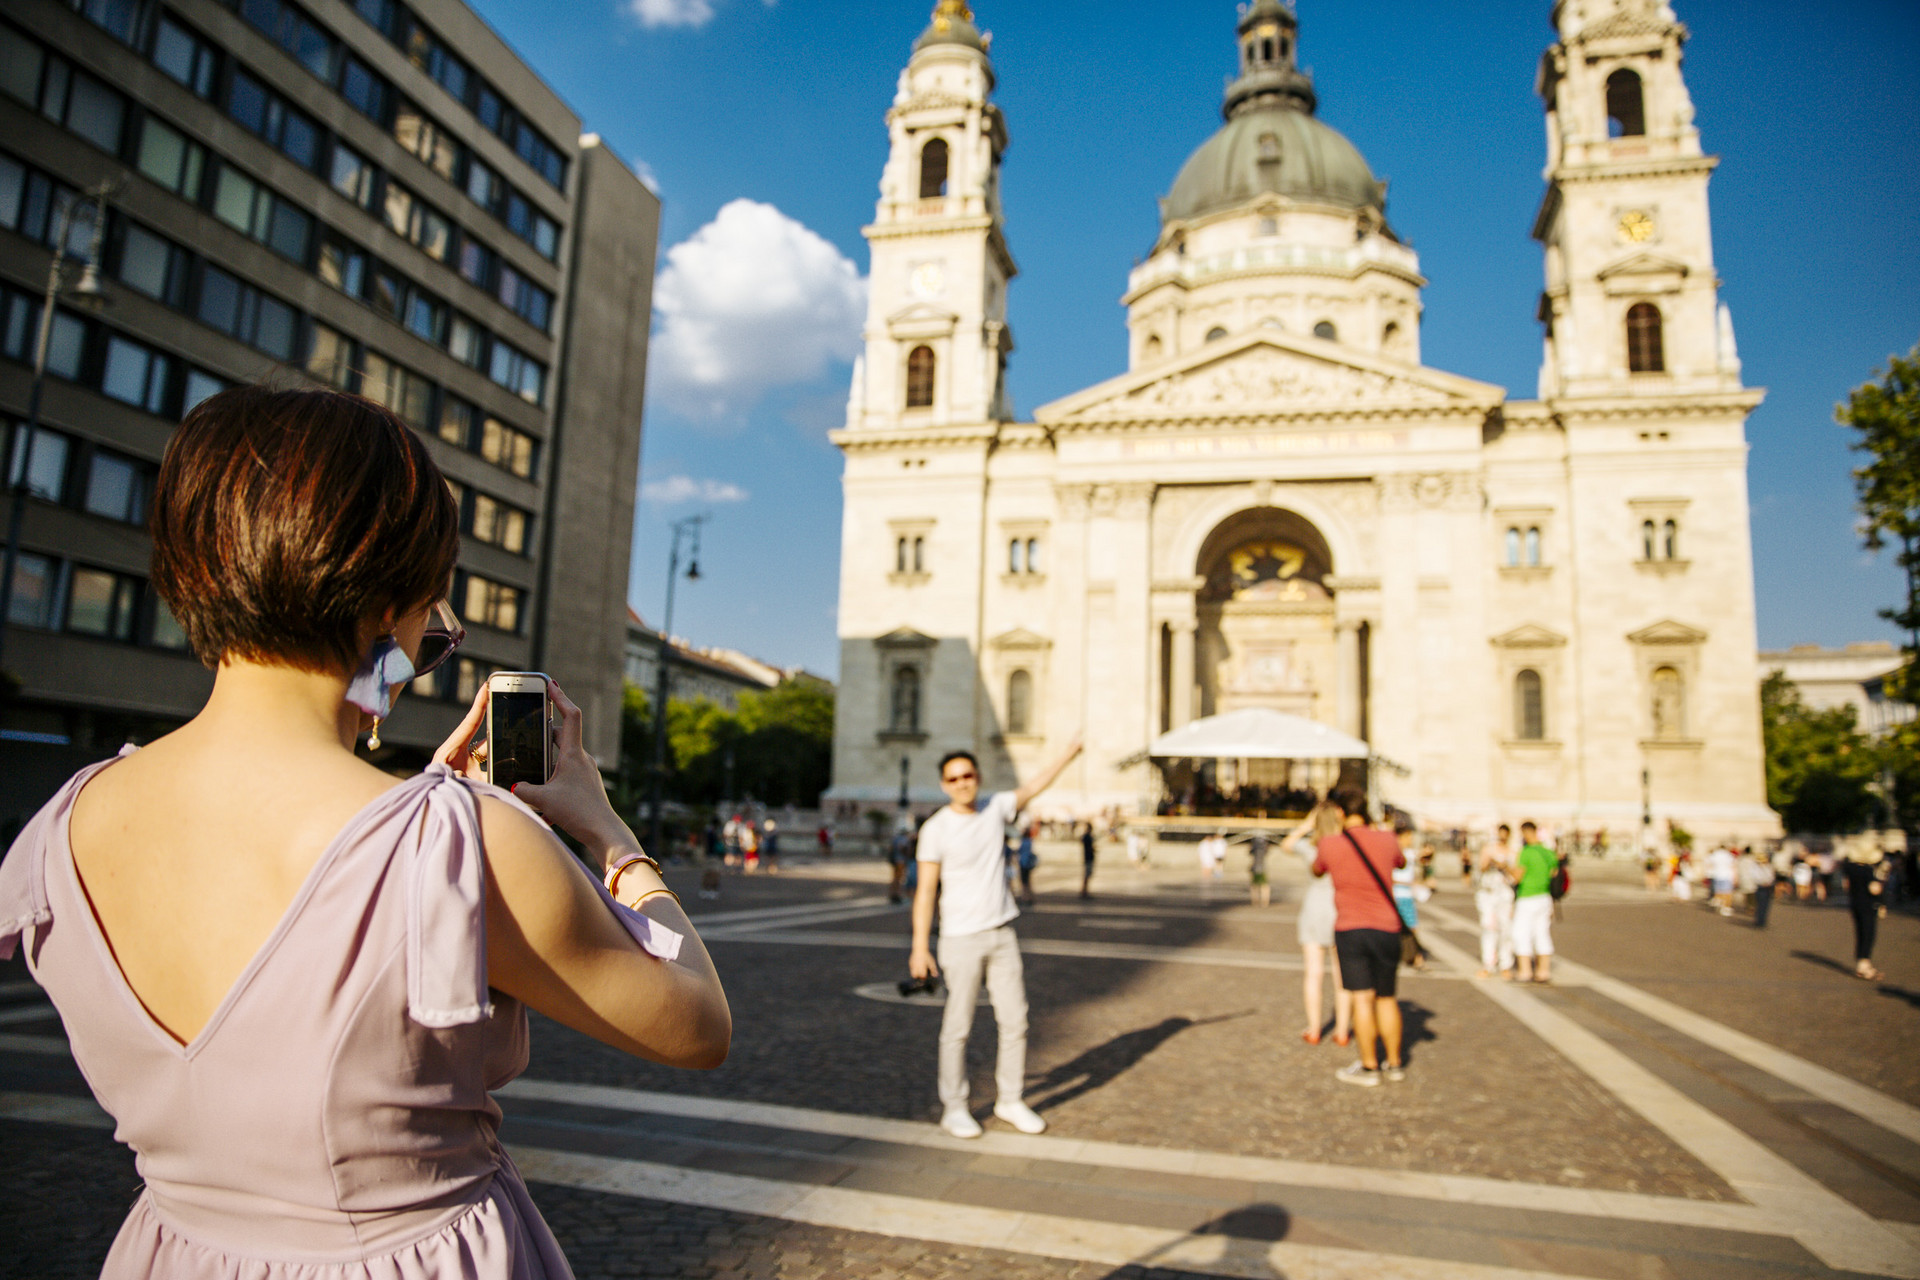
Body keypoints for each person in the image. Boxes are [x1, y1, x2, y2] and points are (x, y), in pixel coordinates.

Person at [0, 387, 731, 1278]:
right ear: (390, 605)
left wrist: (427, 809)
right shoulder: (462, 845)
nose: (426, 651)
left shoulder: (61, 823)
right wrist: (607, 832)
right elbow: (696, 1024)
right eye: (433, 624)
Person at [910, 737, 1083, 1138]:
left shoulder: (995, 809)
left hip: (1002, 933)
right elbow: (925, 893)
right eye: (953, 778)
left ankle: (1010, 1099)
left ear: (978, 778)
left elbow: (1035, 785)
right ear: (943, 784)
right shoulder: (935, 829)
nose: (962, 783)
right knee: (958, 1026)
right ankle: (954, 1106)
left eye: (968, 775)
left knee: (1016, 1021)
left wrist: (1067, 753)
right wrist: (920, 947)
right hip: (959, 939)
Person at [1311, 787, 1408, 1086]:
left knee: (1362, 1000)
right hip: (1387, 927)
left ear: (1340, 812)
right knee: (1387, 998)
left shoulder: (1330, 843)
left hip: (1351, 928)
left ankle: (1369, 1067)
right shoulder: (1386, 839)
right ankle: (1394, 1064)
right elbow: (1400, 862)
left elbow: (1317, 870)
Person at [1290, 803, 1350, 1046]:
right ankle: (1343, 1031)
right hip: (1340, 908)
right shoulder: (1345, 846)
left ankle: (1314, 1029)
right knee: (1342, 977)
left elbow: (1287, 844)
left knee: (1313, 974)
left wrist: (1306, 824)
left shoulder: (1311, 848)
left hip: (1314, 910)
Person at [1512, 821, 1557, 983]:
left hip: (1527, 896)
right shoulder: (1548, 852)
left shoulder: (1526, 852)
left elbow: (1518, 876)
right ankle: (1543, 971)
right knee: (1542, 933)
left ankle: (1525, 971)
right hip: (1544, 897)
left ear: (1525, 833)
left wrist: (1507, 868)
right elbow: (1554, 872)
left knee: (1521, 933)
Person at [1476, 824, 1517, 980]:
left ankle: (1506, 964)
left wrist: (1505, 866)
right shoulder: (1488, 849)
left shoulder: (1513, 852)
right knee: (1488, 927)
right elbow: (1481, 867)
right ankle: (1488, 964)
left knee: (1506, 928)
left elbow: (1516, 874)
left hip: (1505, 893)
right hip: (1488, 892)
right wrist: (1490, 861)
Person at [1845, 848, 1886, 980]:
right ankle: (1865, 965)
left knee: (1860, 933)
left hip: (1855, 904)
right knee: (1868, 934)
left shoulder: (1851, 868)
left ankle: (1861, 964)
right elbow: (1874, 889)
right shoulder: (1867, 871)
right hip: (1868, 906)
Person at [1742, 846, 1776, 929]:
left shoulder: (1769, 867)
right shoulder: (1755, 867)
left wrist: (1769, 882)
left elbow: (1771, 876)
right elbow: (1755, 877)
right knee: (1760, 905)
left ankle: (1763, 921)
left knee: (1765, 906)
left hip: (1767, 888)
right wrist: (1762, 881)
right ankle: (1758, 921)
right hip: (1760, 887)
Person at [1706, 842, 1737, 916]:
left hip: (1717, 875)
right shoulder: (1728, 855)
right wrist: (1735, 877)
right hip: (1726, 875)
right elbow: (1733, 865)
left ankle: (1719, 903)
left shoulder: (1715, 854)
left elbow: (1710, 863)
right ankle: (1726, 908)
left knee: (1719, 891)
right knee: (1727, 893)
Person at [1015, 820, 1038, 904]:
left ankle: (1025, 897)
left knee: (1024, 882)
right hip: (1028, 863)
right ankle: (1029, 896)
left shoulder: (1023, 842)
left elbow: (1020, 851)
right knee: (1028, 881)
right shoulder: (1030, 841)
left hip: (1023, 863)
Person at [1248, 828, 1272, 907]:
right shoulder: (1264, 846)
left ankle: (1255, 902)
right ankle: (1265, 902)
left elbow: (1250, 852)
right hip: (1262, 867)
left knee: (1255, 886)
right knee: (1264, 886)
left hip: (1255, 866)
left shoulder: (1254, 846)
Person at [1079, 821, 1097, 899]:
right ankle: (1084, 892)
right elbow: (1089, 847)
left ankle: (1084, 891)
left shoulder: (1086, 836)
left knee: (1087, 875)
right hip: (1088, 857)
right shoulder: (1088, 837)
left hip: (1088, 857)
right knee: (1087, 875)